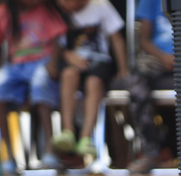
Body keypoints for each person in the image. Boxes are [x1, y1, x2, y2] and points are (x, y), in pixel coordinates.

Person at [0, 0, 66, 173]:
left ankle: (50, 150)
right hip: (15, 66)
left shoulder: (45, 8)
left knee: (40, 83)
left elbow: (57, 40)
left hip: (43, 61)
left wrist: (53, 64)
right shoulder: (0, 14)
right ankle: (9, 156)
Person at [50, 0, 126, 162]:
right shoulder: (61, 13)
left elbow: (116, 38)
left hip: (100, 62)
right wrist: (67, 56)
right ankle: (68, 131)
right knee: (68, 75)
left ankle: (86, 137)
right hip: (74, 62)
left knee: (93, 83)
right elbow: (58, 44)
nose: (62, 4)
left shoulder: (101, 5)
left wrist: (123, 69)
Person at [118, 0, 174, 172]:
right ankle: (150, 152)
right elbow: (144, 41)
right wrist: (163, 57)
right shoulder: (150, 1)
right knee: (135, 79)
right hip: (159, 57)